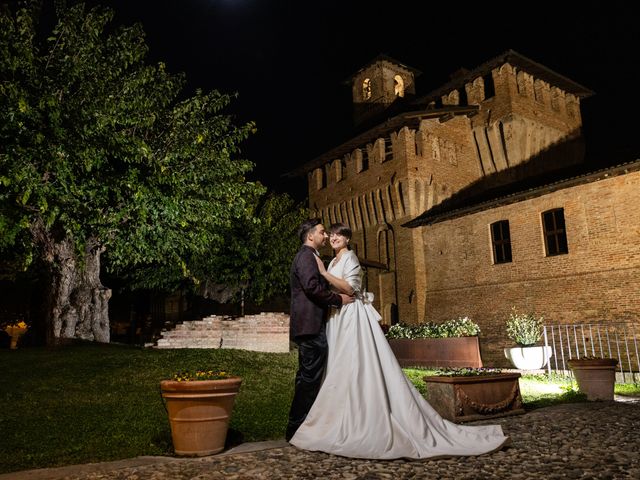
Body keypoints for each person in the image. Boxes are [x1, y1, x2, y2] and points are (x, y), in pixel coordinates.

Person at [290, 222, 510, 459]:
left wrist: (325, 278)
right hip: (336, 319)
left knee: (354, 362)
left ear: (347, 239)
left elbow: (351, 289)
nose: (332, 238)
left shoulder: (347, 259)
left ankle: (352, 417)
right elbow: (317, 289)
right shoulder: (326, 260)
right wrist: (331, 290)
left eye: (338, 235)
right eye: (329, 234)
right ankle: (327, 417)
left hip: (350, 316)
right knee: (333, 367)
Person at [286, 218, 355, 442]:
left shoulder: (311, 256)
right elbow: (312, 288)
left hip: (311, 325)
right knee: (309, 379)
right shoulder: (306, 256)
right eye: (322, 232)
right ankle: (297, 428)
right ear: (310, 236)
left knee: (308, 377)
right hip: (309, 327)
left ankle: (301, 426)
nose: (326, 236)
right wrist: (338, 300)